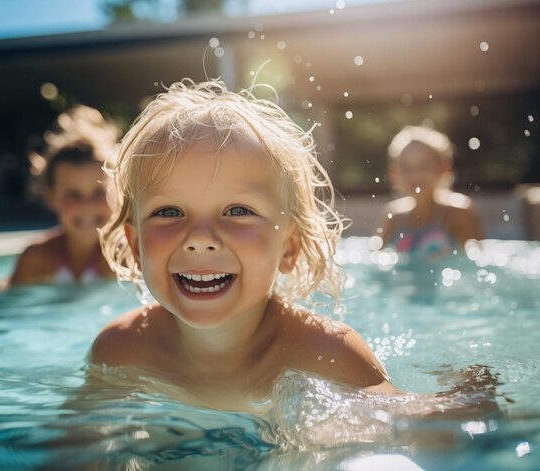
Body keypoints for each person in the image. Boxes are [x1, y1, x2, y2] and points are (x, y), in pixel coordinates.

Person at [90, 80, 498, 415]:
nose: (199, 238)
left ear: (288, 249)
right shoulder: (121, 350)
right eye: (169, 211)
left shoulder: (326, 353)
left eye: (236, 210)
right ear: (136, 244)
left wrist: (468, 404)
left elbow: (417, 430)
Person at [8, 105, 118, 286]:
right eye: (73, 195)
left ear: (116, 192)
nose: (87, 206)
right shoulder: (36, 259)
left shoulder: (127, 259)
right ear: (51, 197)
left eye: (99, 192)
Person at [376, 126, 483, 259]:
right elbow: (375, 262)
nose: (416, 176)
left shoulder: (458, 213)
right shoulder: (393, 217)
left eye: (425, 166)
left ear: (443, 169)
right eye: (406, 168)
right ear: (394, 174)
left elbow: (476, 266)